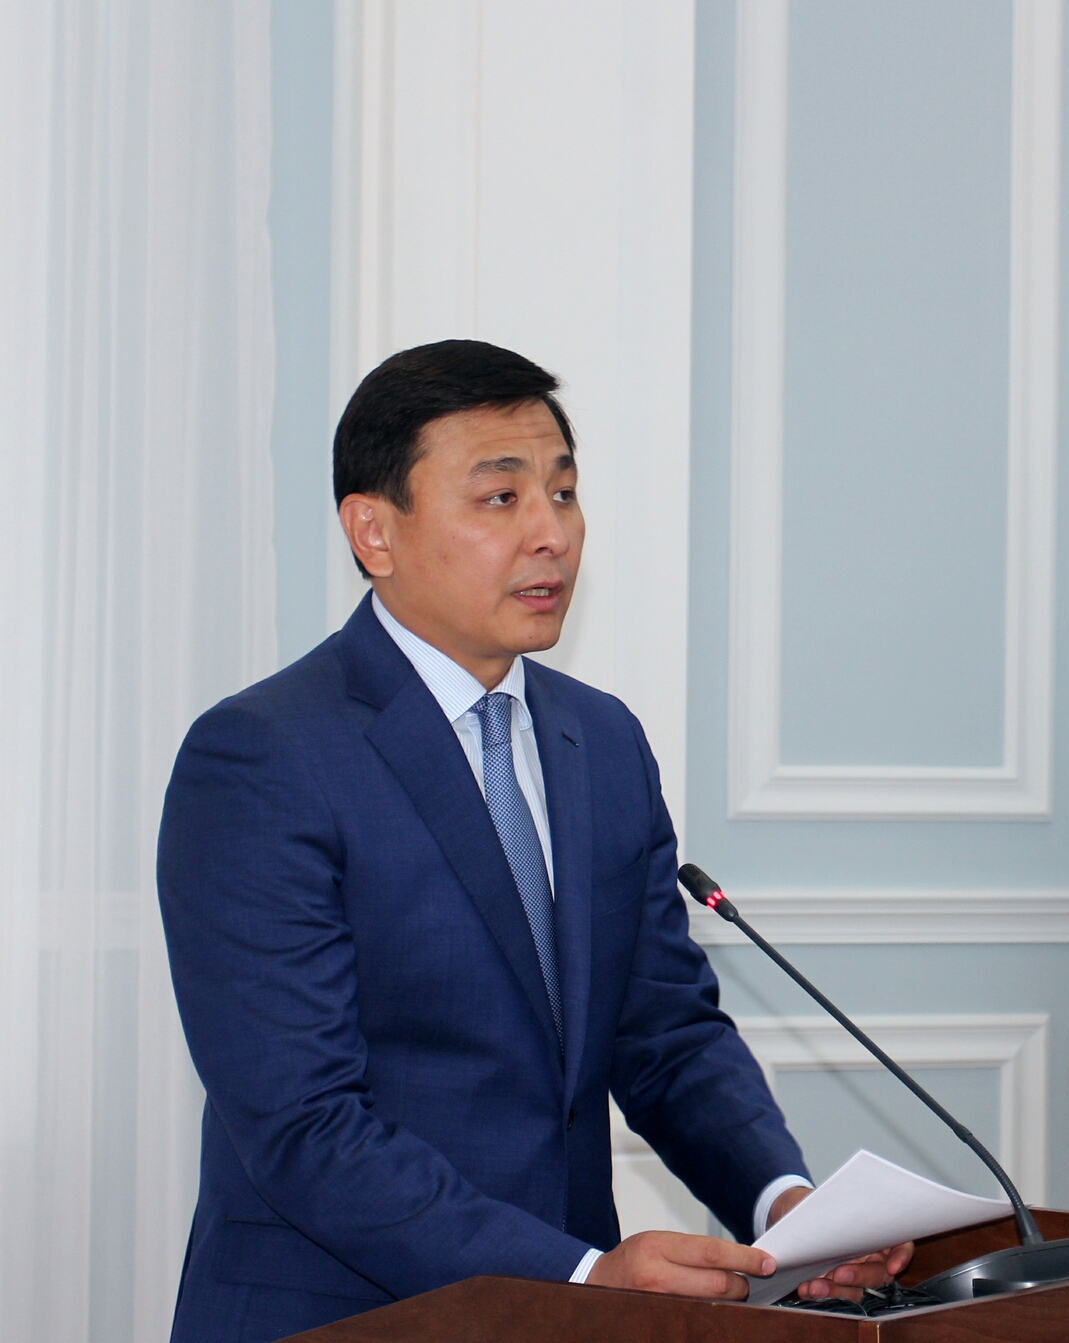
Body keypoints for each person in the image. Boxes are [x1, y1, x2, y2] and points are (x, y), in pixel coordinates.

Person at [157, 340, 910, 1342]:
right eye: (501, 498)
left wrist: (784, 1207)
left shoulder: (601, 740)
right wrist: (579, 1273)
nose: (551, 533)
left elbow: (666, 1036)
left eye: (563, 491)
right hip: (345, 1315)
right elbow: (304, 1123)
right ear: (374, 531)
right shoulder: (264, 756)